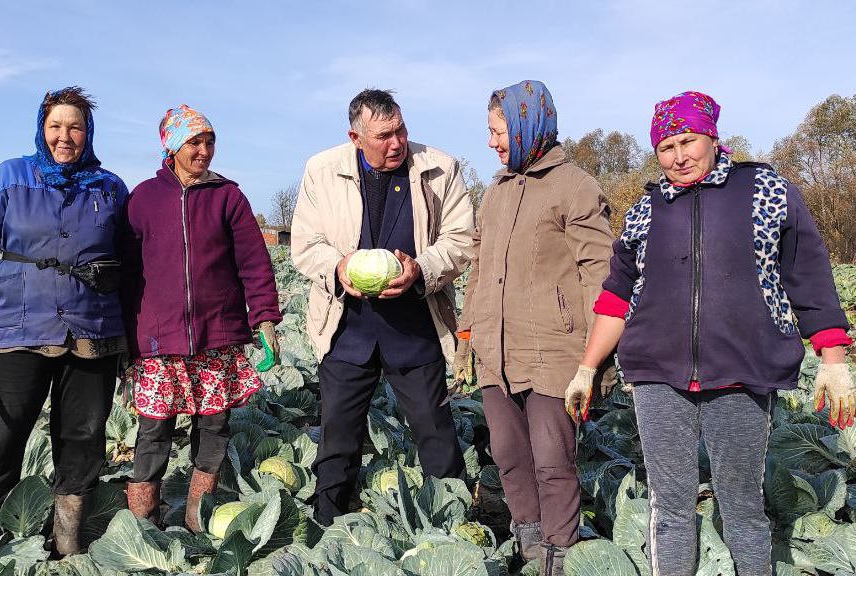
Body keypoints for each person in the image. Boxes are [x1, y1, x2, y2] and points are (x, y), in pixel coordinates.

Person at [564, 91, 856, 576]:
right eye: (666, 147)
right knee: (670, 507)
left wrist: (833, 356)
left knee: (742, 504)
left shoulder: (765, 190)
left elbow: (807, 272)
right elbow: (616, 297)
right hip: (657, 376)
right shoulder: (645, 211)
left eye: (688, 140)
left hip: (742, 370)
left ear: (713, 138)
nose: (678, 156)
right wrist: (586, 367)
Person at [291, 89, 473, 525]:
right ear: (356, 136)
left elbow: (461, 240)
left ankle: (455, 521)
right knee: (338, 433)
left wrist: (422, 270)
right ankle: (327, 520)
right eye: (384, 136)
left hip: (414, 322)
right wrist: (339, 269)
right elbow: (305, 243)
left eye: (401, 131)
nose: (397, 143)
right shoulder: (321, 171)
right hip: (346, 324)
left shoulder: (439, 168)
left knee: (434, 430)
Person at [0, 87, 129, 555]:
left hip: (92, 331)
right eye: (56, 126)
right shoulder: (8, 178)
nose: (64, 136)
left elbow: (132, 260)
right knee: (4, 432)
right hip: (19, 327)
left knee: (83, 438)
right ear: (42, 129)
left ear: (87, 132)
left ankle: (67, 545)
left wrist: (133, 333)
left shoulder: (109, 187)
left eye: (75, 127)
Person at [455, 80, 614, 575]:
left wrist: (596, 361)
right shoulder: (497, 190)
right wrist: (468, 339)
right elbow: (478, 270)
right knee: (508, 458)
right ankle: (529, 550)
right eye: (489, 132)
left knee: (552, 462)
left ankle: (560, 557)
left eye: (498, 131)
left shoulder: (575, 186)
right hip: (496, 352)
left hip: (555, 351)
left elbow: (601, 274)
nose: (491, 142)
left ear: (528, 126)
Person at [121, 105, 282, 532]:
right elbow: (125, 270)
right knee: (153, 431)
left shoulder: (228, 195)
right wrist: (123, 337)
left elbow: (255, 262)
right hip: (159, 340)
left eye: (210, 141)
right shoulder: (143, 199)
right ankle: (143, 522)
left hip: (217, 334)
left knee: (214, 428)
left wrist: (265, 317)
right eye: (195, 142)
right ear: (172, 147)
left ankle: (198, 517)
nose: (204, 150)